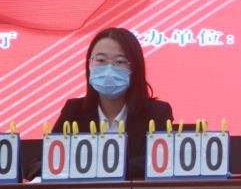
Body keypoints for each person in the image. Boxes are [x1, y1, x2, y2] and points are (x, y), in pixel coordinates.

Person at [31, 27, 174, 180]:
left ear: (135, 68)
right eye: (100, 60)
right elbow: (38, 164)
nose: (109, 69)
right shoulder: (74, 110)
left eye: (120, 61)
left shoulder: (157, 113)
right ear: (89, 65)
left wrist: (103, 167)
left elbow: (163, 163)